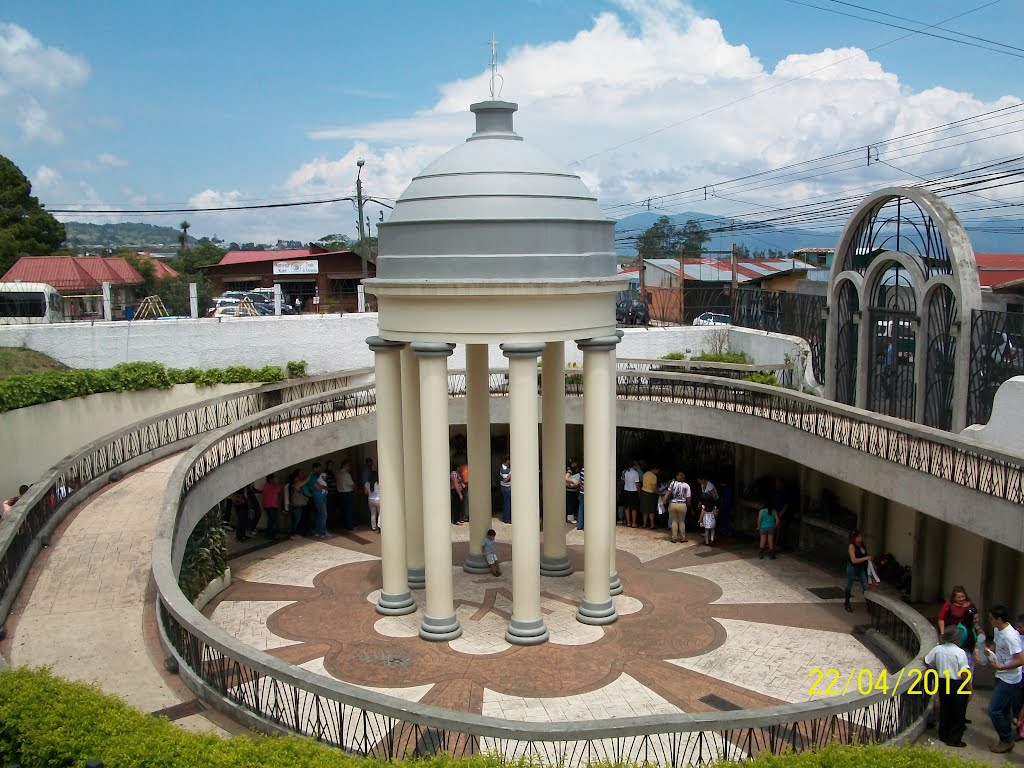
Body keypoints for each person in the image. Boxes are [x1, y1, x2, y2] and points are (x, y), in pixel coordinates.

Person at [924, 625, 972, 748]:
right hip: (957, 684)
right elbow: (964, 672)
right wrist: (969, 688)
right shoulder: (959, 652)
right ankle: (954, 739)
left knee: (945, 709)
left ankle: (943, 734)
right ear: (956, 639)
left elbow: (927, 660)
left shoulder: (938, 649)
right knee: (958, 712)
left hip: (942, 682)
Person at [986, 604, 1024, 753]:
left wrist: (1001, 667)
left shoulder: (1011, 636)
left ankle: (1006, 738)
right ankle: (1006, 738)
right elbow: (997, 645)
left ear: (999, 619)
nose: (989, 621)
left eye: (991, 619)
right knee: (1004, 709)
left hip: (1010, 679)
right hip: (1000, 675)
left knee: (994, 710)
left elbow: (1021, 660)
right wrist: (990, 651)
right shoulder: (998, 630)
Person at [844, 530, 871, 611]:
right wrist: (866, 558)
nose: (860, 538)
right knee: (850, 584)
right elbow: (854, 560)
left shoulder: (862, 545)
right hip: (852, 567)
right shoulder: (851, 546)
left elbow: (865, 555)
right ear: (855, 538)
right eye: (859, 536)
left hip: (861, 568)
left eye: (860, 536)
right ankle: (847, 603)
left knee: (865, 586)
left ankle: (869, 605)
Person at [662, 471, 690, 544]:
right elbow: (688, 497)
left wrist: (663, 502)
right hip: (682, 504)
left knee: (674, 521)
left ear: (677, 477)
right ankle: (682, 538)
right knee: (681, 522)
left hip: (673, 504)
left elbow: (667, 494)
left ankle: (674, 538)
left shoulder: (673, 483)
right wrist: (689, 505)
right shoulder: (687, 486)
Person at [287, 471, 309, 539]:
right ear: (296, 477)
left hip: (297, 506)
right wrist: (310, 474)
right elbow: (305, 481)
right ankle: (292, 534)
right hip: (296, 506)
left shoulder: (294, 484)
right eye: (299, 476)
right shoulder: (295, 484)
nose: (300, 477)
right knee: (295, 521)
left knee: (296, 521)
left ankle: (294, 533)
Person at [260, 473, 282, 540]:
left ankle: (269, 534)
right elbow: (278, 490)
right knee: (272, 521)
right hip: (271, 506)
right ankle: (271, 535)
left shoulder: (266, 485)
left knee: (270, 520)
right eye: (274, 478)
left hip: (267, 506)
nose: (276, 479)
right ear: (271, 479)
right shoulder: (271, 486)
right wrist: (277, 483)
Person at [336, 459, 356, 530]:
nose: (350, 467)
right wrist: (354, 490)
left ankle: (343, 525)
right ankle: (349, 526)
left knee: (342, 510)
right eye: (349, 466)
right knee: (348, 510)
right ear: (345, 465)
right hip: (347, 494)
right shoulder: (346, 474)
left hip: (340, 494)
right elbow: (352, 485)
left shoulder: (337, 473)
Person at [640, 464, 660, 529]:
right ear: (655, 469)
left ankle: (644, 524)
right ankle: (652, 525)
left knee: (645, 510)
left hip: (643, 492)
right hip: (650, 494)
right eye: (658, 470)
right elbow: (654, 488)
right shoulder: (654, 476)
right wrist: (659, 493)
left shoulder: (645, 474)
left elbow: (642, 481)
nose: (658, 472)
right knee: (651, 510)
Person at [622, 461, 640, 528]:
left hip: (626, 490)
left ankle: (628, 523)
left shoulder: (624, 471)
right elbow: (637, 484)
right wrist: (639, 492)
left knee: (627, 507)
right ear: (634, 465)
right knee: (634, 508)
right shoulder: (635, 473)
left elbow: (623, 480)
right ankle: (634, 523)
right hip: (633, 491)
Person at [499, 457, 512, 524]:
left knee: (508, 503)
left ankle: (507, 517)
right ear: (507, 460)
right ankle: (506, 518)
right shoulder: (504, 468)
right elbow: (505, 480)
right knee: (507, 504)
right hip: (506, 488)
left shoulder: (507, 467)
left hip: (507, 488)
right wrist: (511, 475)